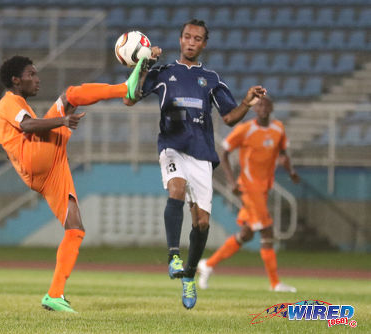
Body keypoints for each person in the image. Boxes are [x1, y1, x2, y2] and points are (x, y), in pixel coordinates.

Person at [123, 19, 266, 309]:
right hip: (172, 146)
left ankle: (189, 275)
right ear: (180, 40)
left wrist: (248, 103)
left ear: (203, 44)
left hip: (201, 153)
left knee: (202, 223)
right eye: (187, 36)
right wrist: (144, 65)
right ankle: (173, 257)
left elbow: (228, 117)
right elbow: (130, 98)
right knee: (176, 188)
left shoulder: (211, 78)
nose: (191, 42)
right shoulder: (163, 72)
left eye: (197, 38)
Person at [0, 55, 146, 313]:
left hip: (45, 171)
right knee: (70, 96)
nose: (37, 79)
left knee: (75, 228)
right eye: (31, 74)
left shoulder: (19, 101)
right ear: (15, 80)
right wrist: (62, 120)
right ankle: (125, 89)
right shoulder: (9, 101)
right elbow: (28, 126)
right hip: (34, 156)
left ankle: (54, 295)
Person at [197, 96, 300, 293]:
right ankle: (275, 283)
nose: (262, 107)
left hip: (264, 189)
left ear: (271, 107)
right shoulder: (246, 129)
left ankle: (208, 265)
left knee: (246, 234)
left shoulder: (278, 128)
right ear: (254, 109)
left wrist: (291, 171)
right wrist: (231, 181)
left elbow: (284, 153)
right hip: (249, 187)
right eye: (259, 104)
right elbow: (224, 151)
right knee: (267, 232)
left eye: (266, 104)